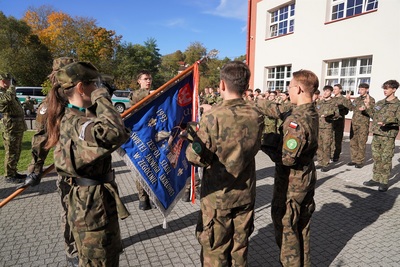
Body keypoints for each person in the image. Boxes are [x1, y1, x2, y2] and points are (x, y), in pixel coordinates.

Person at [45, 61, 130, 266]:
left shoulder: (80, 117)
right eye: (96, 83)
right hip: (91, 205)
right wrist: (101, 97)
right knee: (98, 261)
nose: (99, 87)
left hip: (95, 202)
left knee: (106, 257)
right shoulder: (77, 122)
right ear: (82, 88)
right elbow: (114, 133)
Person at [185, 61, 264, 266]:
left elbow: (196, 158)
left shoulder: (213, 116)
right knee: (239, 249)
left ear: (221, 85)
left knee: (216, 251)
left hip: (219, 197)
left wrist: (192, 139)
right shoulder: (256, 114)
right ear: (246, 85)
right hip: (245, 193)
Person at [17, 57, 81, 266]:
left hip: (91, 167)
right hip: (67, 170)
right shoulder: (51, 105)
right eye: (64, 73)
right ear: (55, 76)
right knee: (70, 211)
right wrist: (35, 169)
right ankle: (72, 250)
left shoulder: (85, 97)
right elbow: (41, 138)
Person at [257, 69, 319, 267]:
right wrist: (253, 102)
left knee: (286, 227)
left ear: (299, 88)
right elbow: (277, 109)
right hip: (306, 175)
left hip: (293, 181)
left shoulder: (296, 121)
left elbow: (287, 159)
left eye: (290, 87)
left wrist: (263, 143)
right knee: (301, 226)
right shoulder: (309, 110)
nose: (288, 90)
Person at [363, 79, 400, 192]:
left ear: (394, 89)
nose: (385, 90)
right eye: (384, 88)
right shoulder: (380, 103)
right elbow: (374, 115)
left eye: (387, 88)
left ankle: (384, 181)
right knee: (376, 157)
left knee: (386, 158)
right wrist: (368, 105)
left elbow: (398, 119)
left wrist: (387, 121)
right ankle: (375, 178)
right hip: (377, 133)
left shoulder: (398, 105)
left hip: (388, 135)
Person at [128, 70, 155, 210]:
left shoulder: (154, 95)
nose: (148, 81)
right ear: (139, 81)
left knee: (155, 166)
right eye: (145, 79)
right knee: (141, 167)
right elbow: (139, 97)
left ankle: (153, 196)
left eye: (150, 78)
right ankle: (143, 198)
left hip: (154, 135)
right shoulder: (135, 94)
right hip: (140, 136)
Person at [0, 73, 27, 183]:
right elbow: (8, 99)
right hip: (10, 126)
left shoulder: (7, 91)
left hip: (16, 125)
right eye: (5, 80)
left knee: (16, 150)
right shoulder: (3, 93)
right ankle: (9, 175)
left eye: (9, 80)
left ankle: (13, 171)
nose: (8, 82)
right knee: (11, 150)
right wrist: (11, 87)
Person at [347, 83, 375, 168]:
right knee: (353, 141)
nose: (360, 91)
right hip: (354, 123)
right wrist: (348, 100)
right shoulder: (357, 99)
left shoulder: (371, 99)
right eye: (359, 89)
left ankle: (360, 161)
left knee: (361, 142)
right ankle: (354, 159)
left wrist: (366, 108)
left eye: (362, 89)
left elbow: (372, 113)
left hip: (363, 124)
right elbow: (351, 108)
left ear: (367, 89)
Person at [315, 85, 339, 172]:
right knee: (319, 145)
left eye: (327, 91)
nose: (325, 93)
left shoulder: (333, 103)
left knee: (326, 145)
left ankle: (326, 163)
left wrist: (330, 114)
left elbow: (337, 115)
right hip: (319, 127)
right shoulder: (320, 103)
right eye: (324, 91)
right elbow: (316, 113)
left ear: (331, 92)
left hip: (327, 128)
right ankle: (320, 162)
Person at [331, 84, 352, 162]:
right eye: (333, 89)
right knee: (331, 138)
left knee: (338, 139)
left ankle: (336, 155)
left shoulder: (343, 99)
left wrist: (339, 108)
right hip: (332, 121)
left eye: (336, 89)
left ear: (340, 90)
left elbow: (346, 111)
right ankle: (331, 154)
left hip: (339, 121)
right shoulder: (332, 99)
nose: (334, 90)